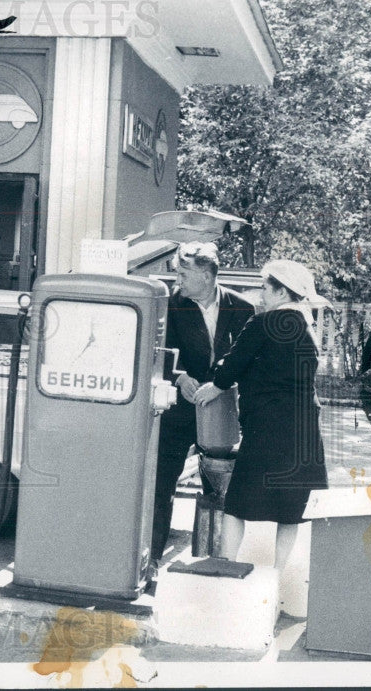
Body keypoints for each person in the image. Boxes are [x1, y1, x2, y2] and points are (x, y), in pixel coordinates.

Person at [193, 259, 330, 570]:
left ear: (282, 292)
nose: (260, 295)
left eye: (265, 288)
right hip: (304, 432)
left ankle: (226, 565)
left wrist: (214, 387)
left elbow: (231, 367)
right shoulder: (306, 329)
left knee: (237, 503)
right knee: (290, 510)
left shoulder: (263, 324)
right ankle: (279, 579)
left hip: (267, 428)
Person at [151, 242, 255, 566]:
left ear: (208, 275)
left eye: (184, 273)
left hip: (220, 412)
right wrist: (180, 379)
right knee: (161, 484)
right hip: (179, 409)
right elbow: (158, 352)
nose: (177, 279)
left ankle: (214, 560)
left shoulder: (242, 308)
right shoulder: (170, 303)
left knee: (219, 487)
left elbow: (247, 359)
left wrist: (221, 386)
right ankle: (151, 560)